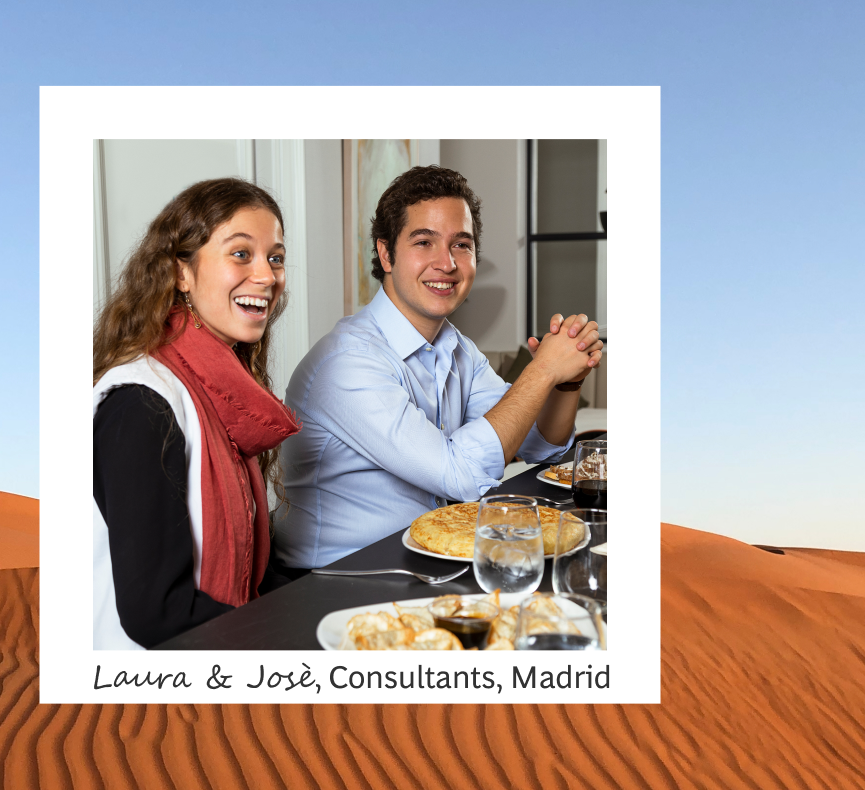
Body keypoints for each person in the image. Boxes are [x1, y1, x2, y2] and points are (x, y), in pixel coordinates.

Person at [274, 165, 602, 571]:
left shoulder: (455, 346)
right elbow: (462, 475)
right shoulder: (346, 363)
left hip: (424, 560)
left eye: (461, 244)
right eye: (424, 242)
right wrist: (541, 373)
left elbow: (538, 443)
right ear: (385, 253)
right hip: (330, 579)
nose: (446, 263)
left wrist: (567, 383)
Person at [92, 178, 300, 649]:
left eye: (276, 257)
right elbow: (156, 612)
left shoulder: (219, 392)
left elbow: (252, 574)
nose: (267, 276)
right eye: (241, 254)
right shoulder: (140, 404)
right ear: (180, 273)